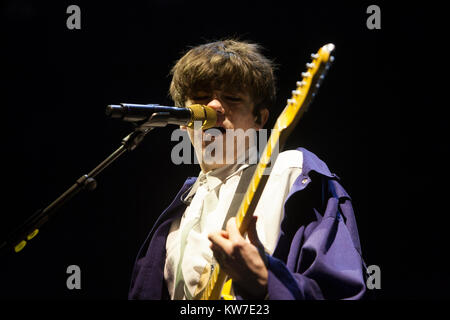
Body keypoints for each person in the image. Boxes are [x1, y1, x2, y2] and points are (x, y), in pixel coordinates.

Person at [128, 39, 367, 300]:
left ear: (260, 119)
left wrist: (266, 282)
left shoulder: (292, 173)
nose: (215, 107)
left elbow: (342, 292)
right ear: (183, 121)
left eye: (231, 98)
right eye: (200, 98)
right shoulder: (179, 213)